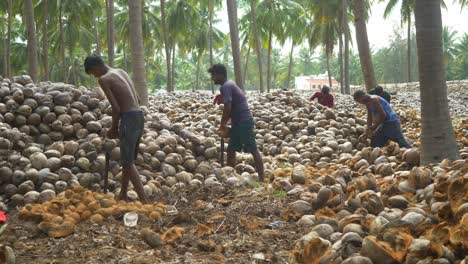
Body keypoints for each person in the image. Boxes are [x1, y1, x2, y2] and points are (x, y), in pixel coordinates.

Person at [84, 55, 148, 203]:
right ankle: (123, 194)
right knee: (128, 159)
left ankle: (145, 202)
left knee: (127, 163)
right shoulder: (121, 72)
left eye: (93, 73)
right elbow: (138, 100)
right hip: (139, 116)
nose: (95, 76)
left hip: (128, 119)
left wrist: (113, 129)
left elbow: (116, 108)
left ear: (96, 68)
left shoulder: (104, 79)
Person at [208, 64, 265, 181]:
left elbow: (228, 107)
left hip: (243, 122)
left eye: (213, 75)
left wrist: (222, 124)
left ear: (219, 75)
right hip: (239, 122)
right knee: (231, 150)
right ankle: (230, 176)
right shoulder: (229, 84)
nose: (212, 78)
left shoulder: (225, 87)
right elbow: (232, 100)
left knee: (253, 150)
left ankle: (262, 179)